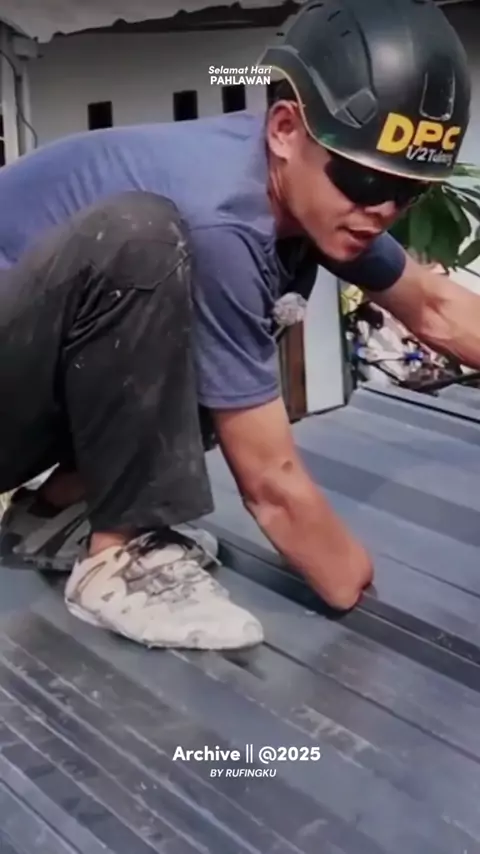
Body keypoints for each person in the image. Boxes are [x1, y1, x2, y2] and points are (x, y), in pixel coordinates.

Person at [0, 0, 475, 651]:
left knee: (221, 336)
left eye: (408, 191)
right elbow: (272, 488)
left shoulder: (313, 196)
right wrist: (367, 606)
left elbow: (436, 308)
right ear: (284, 128)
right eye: (364, 180)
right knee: (144, 241)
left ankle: (58, 513)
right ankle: (116, 558)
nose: (383, 209)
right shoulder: (224, 217)